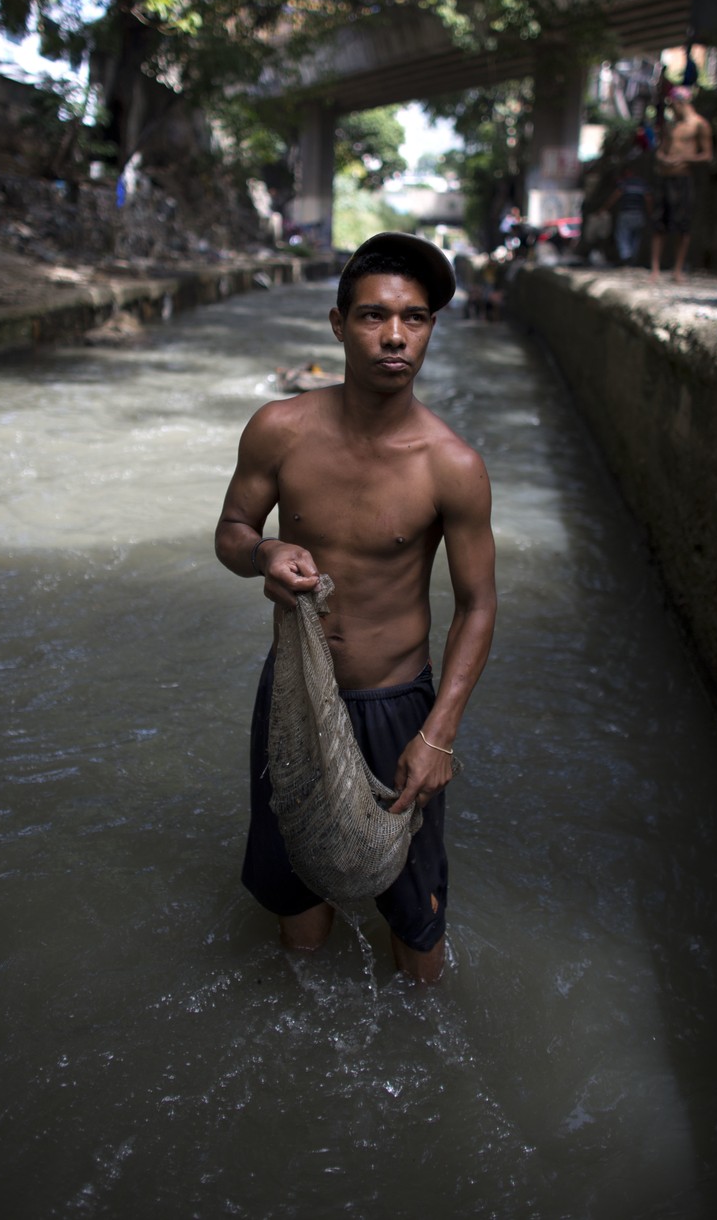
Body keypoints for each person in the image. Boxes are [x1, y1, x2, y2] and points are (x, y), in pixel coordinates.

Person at [214, 232, 497, 984]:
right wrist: (264, 553)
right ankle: (304, 1038)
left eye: (415, 318)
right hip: (297, 695)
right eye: (374, 316)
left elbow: (477, 605)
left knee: (416, 919)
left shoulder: (452, 465)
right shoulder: (280, 430)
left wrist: (439, 733)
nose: (395, 336)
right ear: (339, 325)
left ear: (430, 329)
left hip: (397, 708)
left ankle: (420, 1043)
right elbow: (231, 530)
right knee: (297, 903)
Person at [651, 86, 713, 281]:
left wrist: (683, 158)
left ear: (681, 103)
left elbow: (707, 154)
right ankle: (655, 270)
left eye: (673, 105)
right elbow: (660, 150)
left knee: (682, 225)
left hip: (682, 177)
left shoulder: (699, 125)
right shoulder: (671, 126)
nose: (672, 109)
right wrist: (663, 159)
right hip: (664, 177)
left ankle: (677, 270)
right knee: (659, 223)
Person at [603, 156, 653, 265]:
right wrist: (650, 212)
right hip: (639, 214)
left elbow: (615, 196)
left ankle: (626, 256)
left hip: (626, 213)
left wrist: (605, 208)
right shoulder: (642, 184)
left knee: (623, 235)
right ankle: (631, 258)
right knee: (635, 237)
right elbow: (648, 199)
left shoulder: (624, 183)